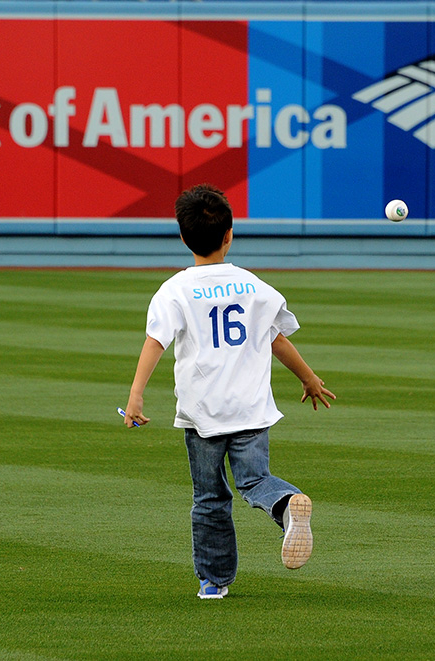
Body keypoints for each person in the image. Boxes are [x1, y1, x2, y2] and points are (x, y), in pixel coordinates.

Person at [122, 184, 336, 599]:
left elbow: (155, 342)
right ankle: (286, 504)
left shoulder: (176, 290)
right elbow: (276, 338)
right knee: (255, 480)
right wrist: (308, 378)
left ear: (184, 238)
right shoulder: (252, 285)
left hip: (204, 413)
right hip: (251, 408)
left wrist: (136, 396)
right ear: (230, 234)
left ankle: (214, 581)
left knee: (210, 497)